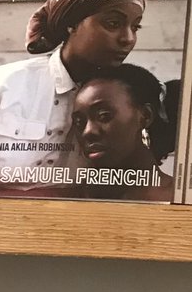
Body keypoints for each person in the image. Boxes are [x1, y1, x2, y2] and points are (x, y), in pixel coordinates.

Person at [0, 0, 145, 192]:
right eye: (112, 23)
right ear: (72, 24)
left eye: (135, 27)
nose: (128, 38)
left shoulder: (127, 99)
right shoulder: (2, 85)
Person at [68, 63, 177, 202]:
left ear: (145, 116)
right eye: (79, 122)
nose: (87, 132)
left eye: (104, 116)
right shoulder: (65, 197)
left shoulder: (180, 198)